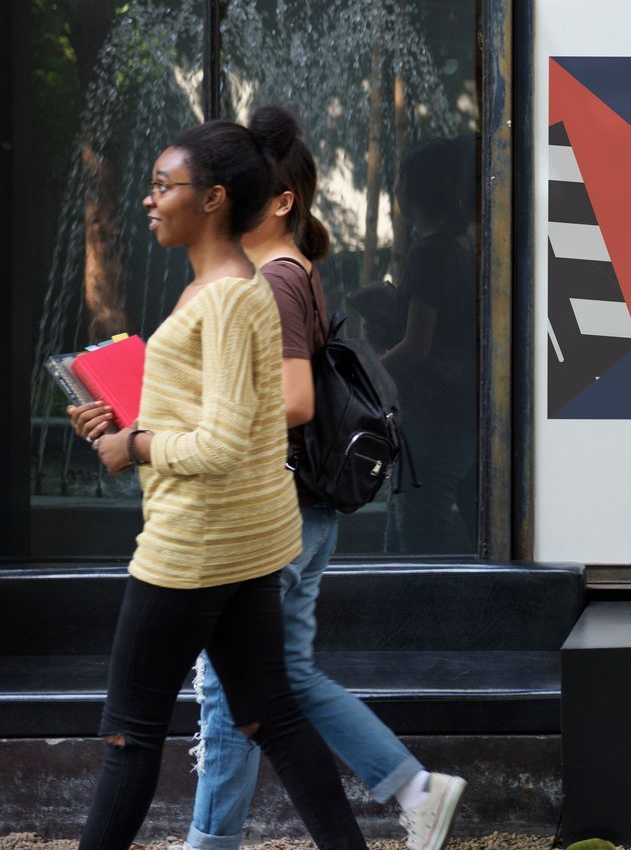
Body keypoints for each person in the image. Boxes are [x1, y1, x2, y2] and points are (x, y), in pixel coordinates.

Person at [65, 121, 365, 850]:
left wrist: (133, 444)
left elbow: (226, 442)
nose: (150, 199)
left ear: (216, 198)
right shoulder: (224, 289)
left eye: (165, 186)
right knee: (274, 716)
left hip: (195, 548)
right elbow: (225, 414)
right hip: (243, 542)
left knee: (129, 736)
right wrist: (125, 418)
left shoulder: (229, 298)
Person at [179, 106, 466, 850]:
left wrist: (196, 426)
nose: (220, 206)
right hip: (304, 513)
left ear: (278, 201)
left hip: (273, 513)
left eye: (233, 192)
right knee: (281, 677)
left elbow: (297, 401)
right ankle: (415, 788)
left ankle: (211, 843)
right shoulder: (296, 270)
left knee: (228, 689)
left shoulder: (272, 280)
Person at [383, 136, 480, 554]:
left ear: (415, 188)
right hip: (456, 415)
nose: (396, 188)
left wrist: (363, 373)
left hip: (429, 420)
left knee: (422, 535)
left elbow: (417, 345)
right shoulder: (460, 250)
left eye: (400, 179)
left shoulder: (428, 255)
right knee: (408, 529)